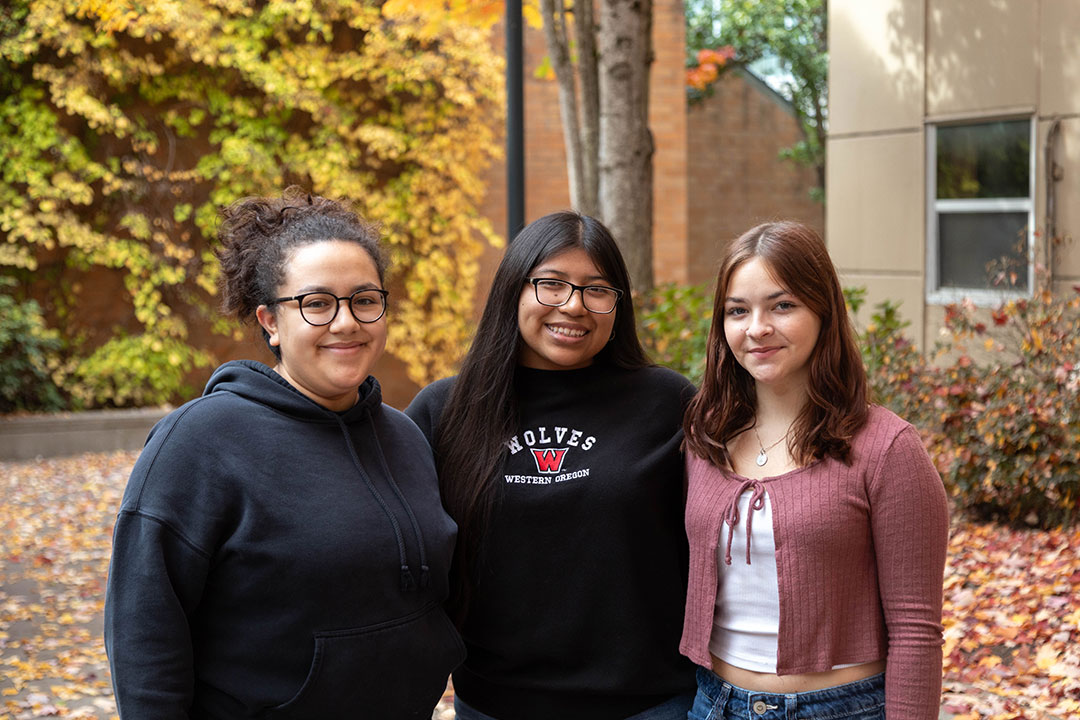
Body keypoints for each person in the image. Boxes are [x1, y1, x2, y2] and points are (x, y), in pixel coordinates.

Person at [104, 189, 464, 719]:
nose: (346, 322)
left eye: (365, 299)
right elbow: (145, 634)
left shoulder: (405, 438)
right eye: (317, 303)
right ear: (271, 321)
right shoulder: (201, 442)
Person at [405, 211, 697, 720]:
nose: (573, 305)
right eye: (551, 284)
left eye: (596, 290)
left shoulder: (667, 402)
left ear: (617, 304)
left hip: (647, 705)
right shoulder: (444, 411)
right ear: (513, 290)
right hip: (495, 705)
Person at [680, 221, 949, 719]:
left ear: (824, 312)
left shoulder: (887, 448)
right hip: (712, 702)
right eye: (738, 311)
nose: (757, 328)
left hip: (841, 707)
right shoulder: (704, 439)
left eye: (782, 306)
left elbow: (916, 630)